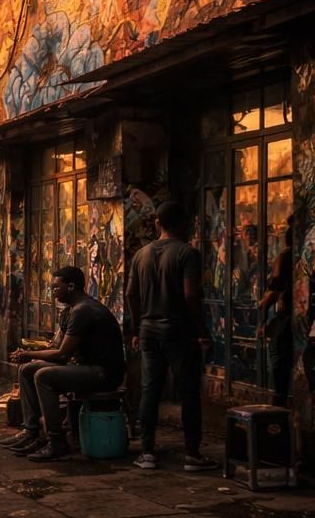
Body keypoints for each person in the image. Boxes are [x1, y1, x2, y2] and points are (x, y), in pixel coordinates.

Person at [0, 265, 126, 461]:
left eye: (57, 287)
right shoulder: (70, 310)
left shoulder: (84, 310)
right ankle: (31, 432)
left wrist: (28, 353)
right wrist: (31, 355)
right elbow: (59, 346)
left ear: (71, 286)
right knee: (27, 369)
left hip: (103, 373)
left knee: (44, 376)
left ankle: (56, 441)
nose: (53, 291)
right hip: (84, 367)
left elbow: (62, 355)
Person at [125, 201, 215, 471]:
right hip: (179, 332)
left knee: (150, 390)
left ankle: (148, 452)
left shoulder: (141, 254)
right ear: (183, 223)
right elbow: (190, 295)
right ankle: (192, 454)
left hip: (148, 331)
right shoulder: (188, 253)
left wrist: (136, 328)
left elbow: (131, 294)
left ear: (157, 223)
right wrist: (202, 331)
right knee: (188, 391)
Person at [260, 219, 295, 407]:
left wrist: (263, 316)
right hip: (292, 318)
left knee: (279, 361)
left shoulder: (286, 256)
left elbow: (273, 288)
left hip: (287, 318)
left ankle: (279, 406)